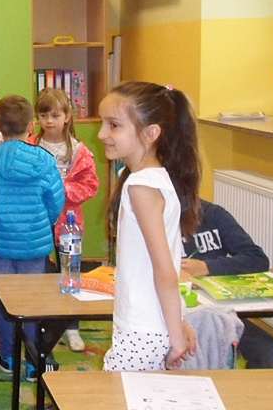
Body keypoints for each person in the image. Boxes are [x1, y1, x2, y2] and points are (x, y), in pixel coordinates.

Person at [99, 81, 200, 371]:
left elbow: (165, 271)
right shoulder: (154, 178)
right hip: (152, 325)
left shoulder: (142, 187)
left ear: (151, 133)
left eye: (114, 125)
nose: (102, 134)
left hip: (142, 331)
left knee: (112, 393)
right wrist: (176, 322)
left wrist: (176, 337)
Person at [0, 95, 65, 381]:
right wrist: (39, 224)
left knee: (4, 303)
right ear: (31, 126)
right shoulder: (45, 162)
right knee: (33, 302)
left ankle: (9, 356)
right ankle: (34, 362)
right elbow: (55, 202)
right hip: (34, 246)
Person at [32, 88, 99, 353]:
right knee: (37, 271)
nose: (49, 121)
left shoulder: (79, 151)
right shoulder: (31, 145)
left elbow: (90, 184)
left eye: (55, 115)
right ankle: (41, 322)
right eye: (43, 115)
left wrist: (61, 190)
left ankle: (72, 327)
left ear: (67, 116)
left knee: (70, 271)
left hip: (69, 222)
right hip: (37, 219)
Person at [181, 200, 273, 368]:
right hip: (176, 316)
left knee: (269, 352)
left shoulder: (213, 214)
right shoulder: (148, 214)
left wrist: (207, 267)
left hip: (221, 315)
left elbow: (257, 259)